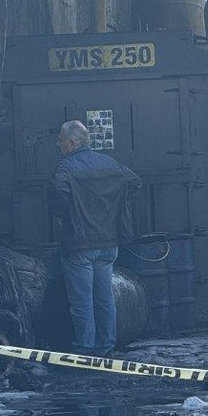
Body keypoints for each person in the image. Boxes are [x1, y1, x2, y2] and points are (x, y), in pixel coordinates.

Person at [49, 120, 142, 356]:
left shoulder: (66, 167)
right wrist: (112, 207)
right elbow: (134, 182)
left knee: (82, 301)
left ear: (71, 143)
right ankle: (106, 346)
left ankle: (85, 349)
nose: (57, 144)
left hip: (79, 244)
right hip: (108, 242)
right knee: (104, 298)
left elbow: (59, 194)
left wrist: (65, 213)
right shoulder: (109, 162)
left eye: (60, 140)